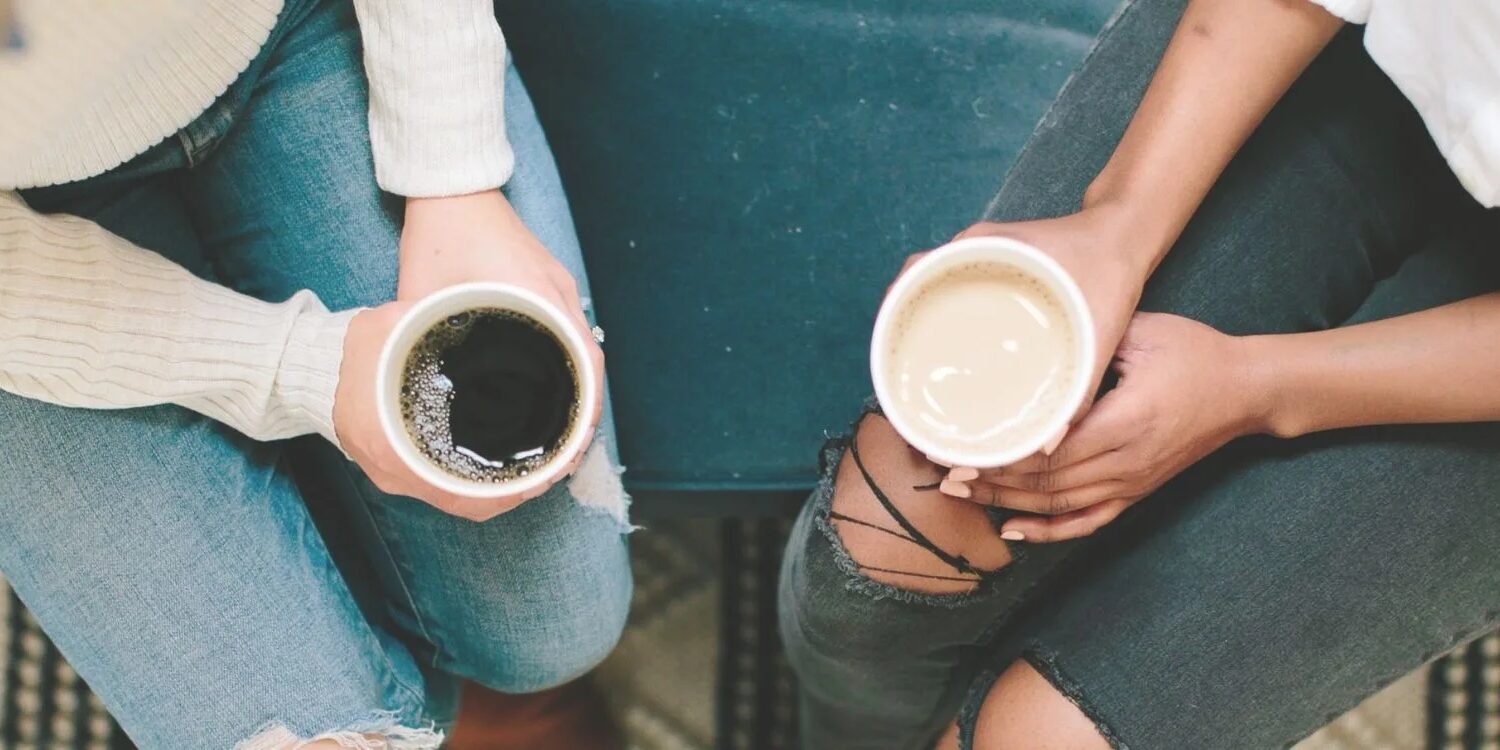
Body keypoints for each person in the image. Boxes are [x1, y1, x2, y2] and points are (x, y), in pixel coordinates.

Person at [779, 0, 1500, 747]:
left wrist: (1260, 387)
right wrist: (1118, 226)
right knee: (896, 524)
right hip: (1353, 49)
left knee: (1040, 739)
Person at [0, 0, 631, 747]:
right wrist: (301, 371)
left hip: (289, 29)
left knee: (555, 628)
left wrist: (453, 172)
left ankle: (436, 656)